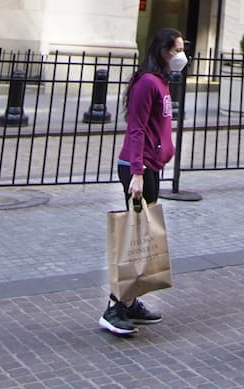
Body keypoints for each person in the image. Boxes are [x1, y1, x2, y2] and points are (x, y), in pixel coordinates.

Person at [100, 28, 186, 337]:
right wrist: (137, 172)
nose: (181, 55)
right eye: (176, 49)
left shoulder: (162, 82)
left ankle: (131, 301)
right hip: (139, 168)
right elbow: (135, 129)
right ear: (163, 50)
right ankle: (115, 307)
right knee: (134, 236)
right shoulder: (147, 83)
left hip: (151, 166)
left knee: (142, 237)